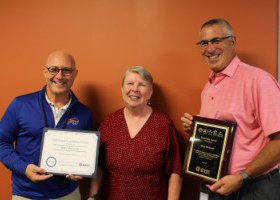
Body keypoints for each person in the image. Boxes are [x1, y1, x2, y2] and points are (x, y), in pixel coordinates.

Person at [181, 19, 280, 199]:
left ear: (232, 41)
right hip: (218, 187)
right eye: (204, 43)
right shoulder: (209, 87)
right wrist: (196, 129)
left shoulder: (258, 80)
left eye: (216, 41)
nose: (209, 49)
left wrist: (242, 177)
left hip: (255, 188)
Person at [0, 51, 93, 199]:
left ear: (75, 74)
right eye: (54, 69)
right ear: (45, 72)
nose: (60, 76)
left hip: (68, 194)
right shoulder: (20, 105)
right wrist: (24, 168)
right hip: (26, 194)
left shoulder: (84, 113)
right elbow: (1, 142)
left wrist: (81, 169)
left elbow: (84, 153)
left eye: (66, 70)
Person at [89, 66, 183, 200]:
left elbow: (176, 170)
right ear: (122, 89)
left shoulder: (164, 124)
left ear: (150, 92)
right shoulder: (109, 123)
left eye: (142, 84)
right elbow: (98, 166)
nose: (135, 89)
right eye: (130, 83)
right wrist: (93, 196)